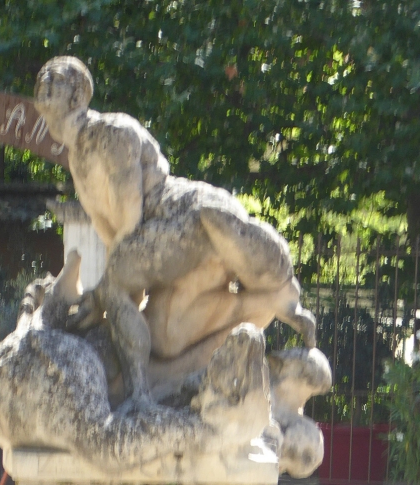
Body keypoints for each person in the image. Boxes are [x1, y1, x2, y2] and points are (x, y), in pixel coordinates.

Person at [35, 56, 316, 409]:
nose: (43, 83)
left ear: (79, 93)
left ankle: (138, 396)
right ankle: (143, 388)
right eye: (43, 79)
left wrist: (107, 290)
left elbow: (128, 217)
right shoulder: (78, 157)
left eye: (56, 78)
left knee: (115, 281)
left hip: (187, 215)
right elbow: (113, 239)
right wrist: (108, 296)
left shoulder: (110, 131)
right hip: (161, 233)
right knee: (154, 325)